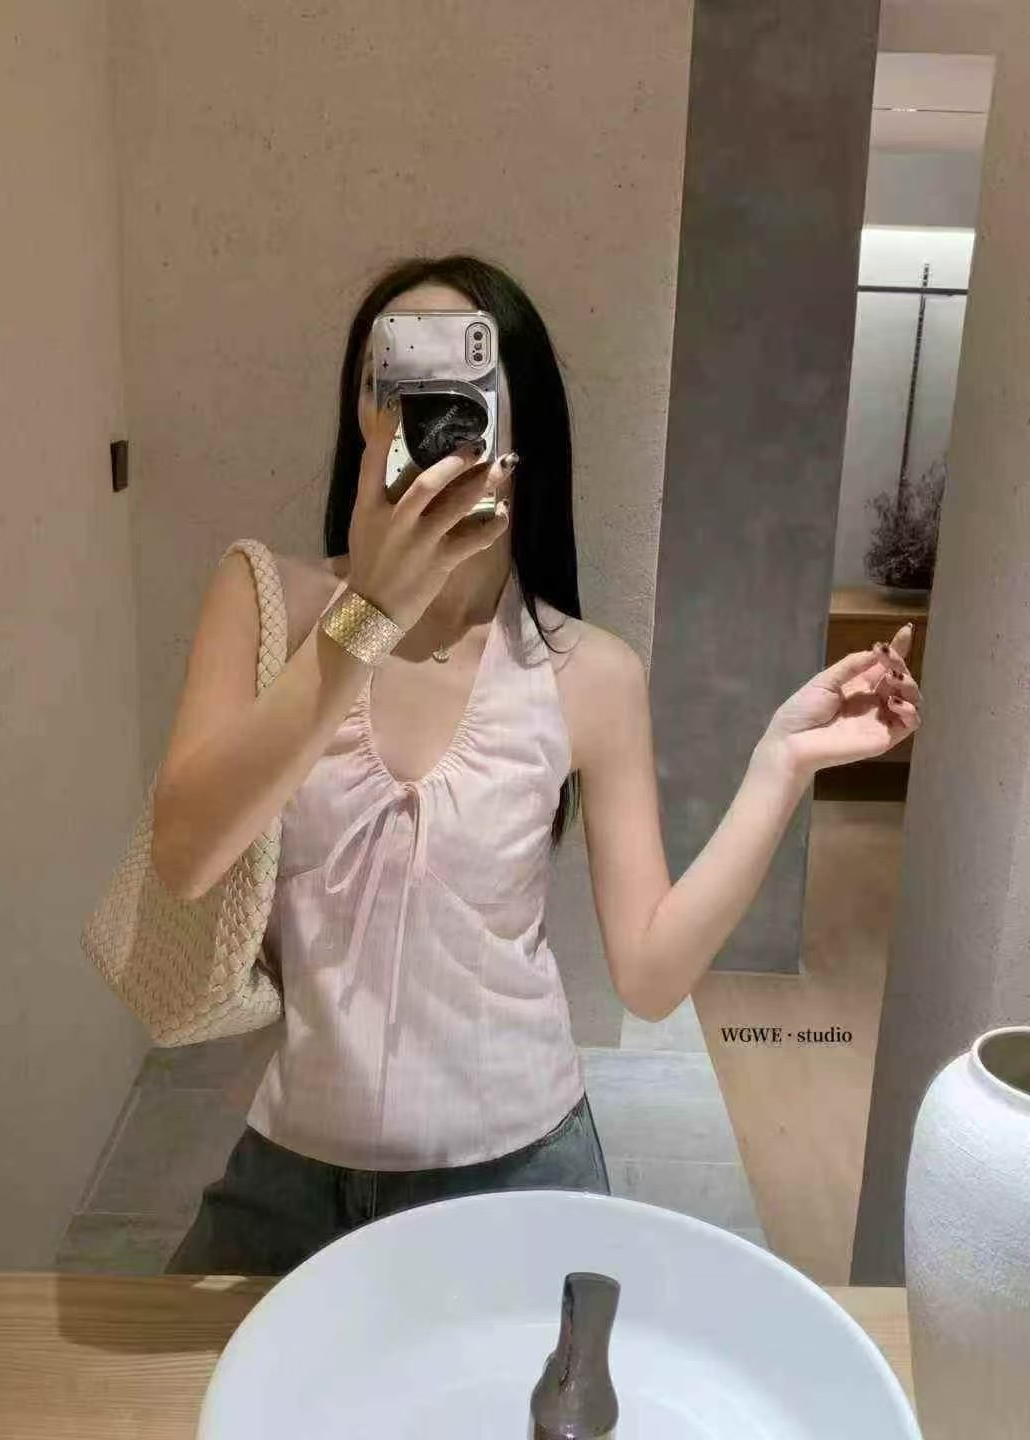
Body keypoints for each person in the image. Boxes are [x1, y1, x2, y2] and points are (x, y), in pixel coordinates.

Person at [155, 255, 922, 1276]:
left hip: (521, 1169)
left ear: (516, 424)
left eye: (462, 377)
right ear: (362, 413)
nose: (429, 411)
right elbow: (184, 857)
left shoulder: (589, 672)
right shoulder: (266, 605)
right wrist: (367, 614)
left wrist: (781, 762)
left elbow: (649, 973)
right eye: (397, 376)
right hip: (293, 1176)